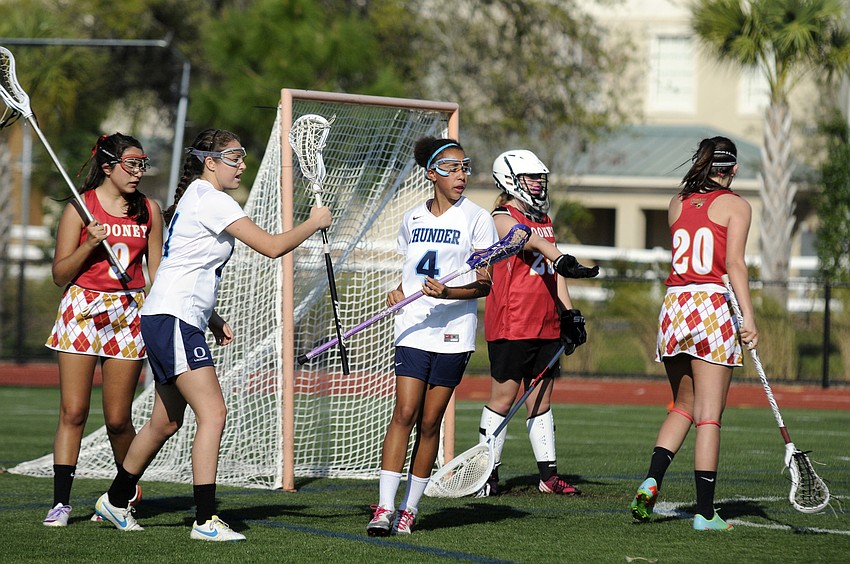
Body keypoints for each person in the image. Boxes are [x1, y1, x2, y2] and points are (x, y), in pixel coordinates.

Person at [93, 128, 332, 541]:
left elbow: (186, 265)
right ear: (210, 161)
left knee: (165, 423)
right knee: (214, 413)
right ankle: (204, 520)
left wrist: (213, 316)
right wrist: (314, 223)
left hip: (173, 316)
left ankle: (114, 502)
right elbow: (272, 247)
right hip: (174, 319)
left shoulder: (196, 197)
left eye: (242, 156)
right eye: (234, 157)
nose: (241, 165)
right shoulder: (211, 198)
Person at [366, 136, 498, 536]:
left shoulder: (478, 219)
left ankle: (410, 508)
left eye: (465, 167)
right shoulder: (412, 219)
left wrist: (450, 293)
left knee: (429, 421)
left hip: (454, 331)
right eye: (452, 168)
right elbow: (411, 270)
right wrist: (397, 289)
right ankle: (385, 508)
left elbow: (485, 284)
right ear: (432, 175)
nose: (461, 175)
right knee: (403, 413)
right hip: (412, 326)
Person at [630, 136, 758, 531]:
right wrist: (749, 318)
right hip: (710, 305)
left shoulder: (677, 204)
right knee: (708, 415)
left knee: (682, 405)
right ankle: (705, 513)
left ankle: (651, 481)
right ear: (732, 169)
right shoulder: (737, 205)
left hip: (674, 306)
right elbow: (733, 264)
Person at [43, 133, 163, 527]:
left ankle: (123, 493)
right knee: (74, 411)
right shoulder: (82, 208)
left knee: (117, 419)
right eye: (130, 164)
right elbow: (61, 274)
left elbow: (156, 274)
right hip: (82, 308)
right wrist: (88, 245)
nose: (138, 172)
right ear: (108, 166)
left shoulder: (149, 210)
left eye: (142, 163)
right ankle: (61, 503)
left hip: (128, 312)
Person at [476, 149, 598, 498]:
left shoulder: (543, 220)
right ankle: (487, 474)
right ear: (511, 180)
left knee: (541, 400)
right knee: (503, 399)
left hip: (545, 322)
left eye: (540, 179)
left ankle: (548, 476)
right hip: (513, 322)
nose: (538, 185)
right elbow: (522, 237)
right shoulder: (501, 216)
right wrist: (558, 254)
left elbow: (555, 272)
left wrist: (569, 313)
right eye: (531, 178)